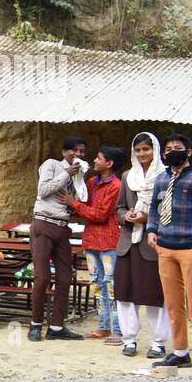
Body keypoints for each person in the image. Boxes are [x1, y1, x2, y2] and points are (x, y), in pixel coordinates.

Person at [148, 133, 192, 375]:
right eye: (168, 149)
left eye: (178, 148)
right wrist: (152, 229)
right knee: (172, 304)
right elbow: (154, 207)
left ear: (189, 152)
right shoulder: (161, 179)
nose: (172, 151)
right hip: (166, 247)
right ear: (163, 155)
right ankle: (181, 352)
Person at [114, 132, 169, 358]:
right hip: (128, 243)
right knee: (125, 294)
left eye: (146, 149)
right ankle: (129, 340)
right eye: (138, 150)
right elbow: (118, 208)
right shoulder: (128, 176)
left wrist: (147, 219)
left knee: (154, 294)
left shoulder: (165, 176)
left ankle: (158, 342)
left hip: (151, 243)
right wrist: (125, 215)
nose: (142, 153)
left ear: (154, 150)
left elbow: (169, 211)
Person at [28, 137, 88, 341]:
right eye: (75, 151)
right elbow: (43, 191)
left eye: (82, 152)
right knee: (42, 277)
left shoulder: (78, 176)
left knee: (65, 277)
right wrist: (65, 175)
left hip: (62, 227)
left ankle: (56, 327)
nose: (78, 155)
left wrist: (74, 203)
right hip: (44, 223)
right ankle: (35, 324)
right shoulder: (52, 165)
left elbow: (75, 201)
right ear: (65, 152)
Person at [62, 145, 125, 340]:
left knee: (112, 285)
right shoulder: (91, 182)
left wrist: (73, 204)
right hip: (91, 240)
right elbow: (86, 205)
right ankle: (103, 326)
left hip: (109, 241)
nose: (95, 161)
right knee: (97, 284)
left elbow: (100, 214)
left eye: (99, 158)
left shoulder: (116, 186)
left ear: (110, 163)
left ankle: (117, 329)